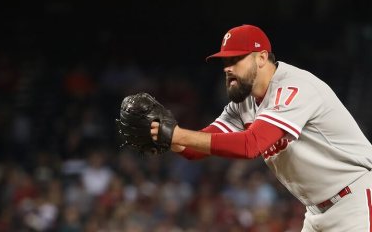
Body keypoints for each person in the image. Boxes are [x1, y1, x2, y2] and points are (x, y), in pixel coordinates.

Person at [151, 24, 372, 231]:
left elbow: (251, 145)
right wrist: (165, 138)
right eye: (225, 62)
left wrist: (177, 134)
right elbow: (195, 147)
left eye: (236, 59)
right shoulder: (243, 103)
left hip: (356, 199)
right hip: (317, 211)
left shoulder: (294, 87)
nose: (228, 68)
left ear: (262, 58)